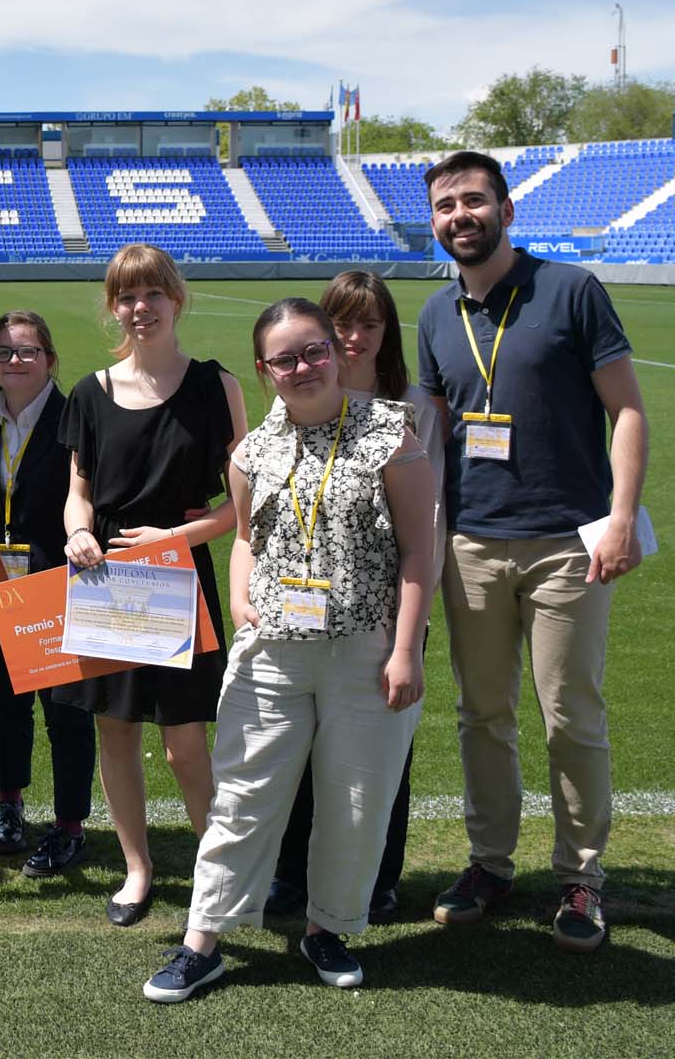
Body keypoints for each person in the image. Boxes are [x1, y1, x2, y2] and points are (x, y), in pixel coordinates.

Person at [144, 297, 433, 1002]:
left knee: (355, 803)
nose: (302, 368)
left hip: (366, 650)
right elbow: (247, 536)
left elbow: (420, 551)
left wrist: (406, 650)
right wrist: (240, 597)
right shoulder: (252, 450)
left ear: (335, 350)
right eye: (285, 359)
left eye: (313, 351)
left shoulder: (390, 434)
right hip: (272, 650)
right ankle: (202, 940)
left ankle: (326, 928)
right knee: (242, 796)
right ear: (264, 369)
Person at [416, 150, 648, 953]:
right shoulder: (436, 315)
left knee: (570, 716)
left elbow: (626, 411)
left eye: (473, 200)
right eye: (446, 205)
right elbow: (432, 435)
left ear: (507, 210)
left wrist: (622, 517)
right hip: (471, 544)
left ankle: (581, 876)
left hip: (566, 545)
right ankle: (490, 863)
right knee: (481, 715)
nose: (460, 216)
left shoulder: (572, 290)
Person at [56, 244, 246, 926]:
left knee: (184, 742)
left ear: (177, 299)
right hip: (106, 576)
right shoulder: (90, 393)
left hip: (177, 575)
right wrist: (77, 533)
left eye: (153, 294)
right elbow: (78, 495)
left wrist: (176, 539)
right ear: (114, 308)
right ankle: (137, 869)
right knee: (115, 731)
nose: (141, 308)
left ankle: (217, 870)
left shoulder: (217, 386)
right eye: (127, 297)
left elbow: (241, 505)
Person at [265, 270, 443, 924]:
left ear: (386, 332)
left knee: (383, 756)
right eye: (342, 323)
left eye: (370, 324)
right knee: (300, 746)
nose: (355, 337)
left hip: (388, 613)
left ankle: (379, 879)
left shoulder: (414, 408)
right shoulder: (301, 393)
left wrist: (409, 635)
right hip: (304, 608)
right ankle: (292, 875)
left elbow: (429, 524)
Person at [0, 311, 98, 877]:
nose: (14, 361)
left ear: (49, 359)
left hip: (59, 581)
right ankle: (10, 804)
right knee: (5, 701)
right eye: (2, 352)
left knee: (65, 710)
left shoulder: (75, 419)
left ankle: (70, 825)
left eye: (27, 351)